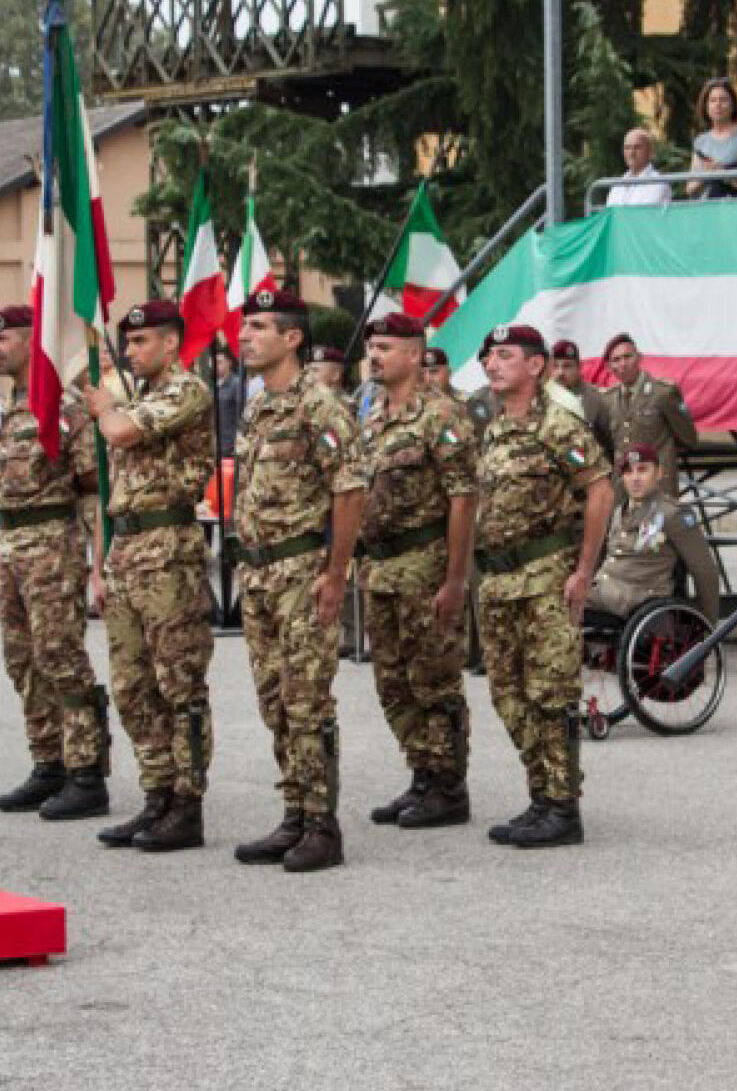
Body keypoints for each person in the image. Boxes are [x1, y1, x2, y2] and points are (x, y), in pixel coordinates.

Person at [226, 287, 367, 872]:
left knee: (307, 700)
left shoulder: (320, 404)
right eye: (245, 325)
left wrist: (336, 573)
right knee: (274, 702)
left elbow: (350, 489)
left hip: (302, 572)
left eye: (259, 326)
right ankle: (293, 813)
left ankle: (321, 825)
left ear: (292, 338)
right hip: (259, 575)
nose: (245, 335)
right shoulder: (260, 405)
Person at [81, 299, 217, 853]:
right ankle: (156, 793)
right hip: (128, 547)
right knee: (133, 684)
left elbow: (121, 434)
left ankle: (187, 803)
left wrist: (102, 406)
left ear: (170, 344)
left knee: (177, 683)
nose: (132, 351)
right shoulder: (135, 396)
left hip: (168, 552)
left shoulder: (188, 390)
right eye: (128, 343)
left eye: (141, 342)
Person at [471, 323, 613, 848]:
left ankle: (562, 806)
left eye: (505, 356)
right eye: (490, 357)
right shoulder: (493, 430)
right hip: (500, 581)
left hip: (545, 578)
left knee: (551, 694)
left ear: (536, 366)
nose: (492, 365)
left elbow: (599, 490)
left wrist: (583, 570)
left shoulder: (558, 425)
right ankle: (540, 795)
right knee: (509, 696)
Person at [0, 303, 111, 824]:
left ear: (32, 339)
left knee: (60, 656)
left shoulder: (65, 404)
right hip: (11, 548)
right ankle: (48, 761)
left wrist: (97, 564)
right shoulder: (16, 404)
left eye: (4, 338)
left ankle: (86, 773)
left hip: (51, 547)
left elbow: (93, 488)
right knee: (23, 660)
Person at [353, 311, 478, 830]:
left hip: (424, 566)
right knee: (393, 682)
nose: (375, 355)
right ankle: (422, 773)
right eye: (372, 347)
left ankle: (449, 787)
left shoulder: (442, 416)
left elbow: (463, 499)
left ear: (413, 354)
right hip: (380, 570)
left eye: (385, 347)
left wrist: (454, 579)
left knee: (434, 680)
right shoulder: (374, 415)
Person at [589, 443, 722, 620]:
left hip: (636, 601)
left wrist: (707, 624)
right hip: (601, 594)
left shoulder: (673, 514)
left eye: (642, 470)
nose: (635, 478)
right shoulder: (619, 511)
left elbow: (704, 571)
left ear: (659, 473)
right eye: (629, 472)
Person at [600, 332, 697, 490]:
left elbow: (688, 438)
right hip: (624, 487)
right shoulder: (608, 399)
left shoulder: (663, 393)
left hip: (658, 487)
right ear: (609, 367)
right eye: (616, 360)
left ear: (639, 357)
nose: (623, 364)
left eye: (627, 357)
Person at [689, 77, 737, 199]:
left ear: (732, 105)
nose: (718, 105)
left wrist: (721, 173)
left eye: (723, 100)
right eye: (712, 101)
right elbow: (691, 189)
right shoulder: (700, 142)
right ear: (706, 107)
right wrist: (707, 175)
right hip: (706, 206)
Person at [547, 339, 618, 460]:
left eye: (567, 366)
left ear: (579, 366)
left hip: (588, 469)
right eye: (555, 366)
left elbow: (611, 443)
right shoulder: (543, 396)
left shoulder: (596, 398)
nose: (560, 372)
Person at [606, 126, 672, 208]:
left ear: (650, 152)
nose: (631, 152)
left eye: (637, 147)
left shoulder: (658, 183)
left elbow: (644, 216)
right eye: (627, 148)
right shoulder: (617, 186)